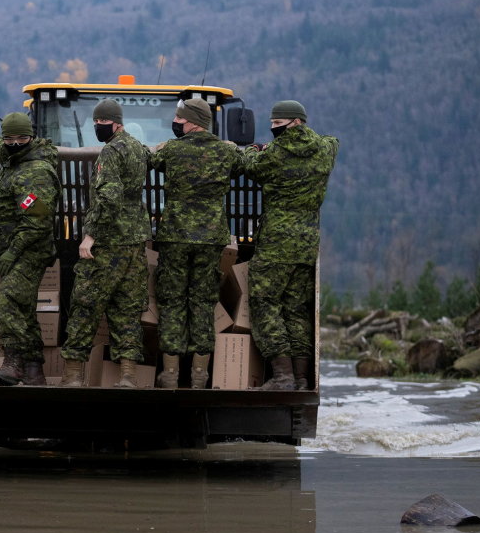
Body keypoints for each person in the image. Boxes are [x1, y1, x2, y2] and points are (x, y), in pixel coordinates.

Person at [240, 100, 337, 391]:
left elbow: (250, 166)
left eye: (277, 126)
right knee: (296, 309)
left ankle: (282, 376)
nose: (274, 130)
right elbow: (334, 142)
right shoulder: (324, 149)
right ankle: (302, 376)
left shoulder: (275, 155)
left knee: (264, 302)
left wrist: (253, 149)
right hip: (306, 245)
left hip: (276, 244)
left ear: (294, 123)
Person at [150, 98, 244, 389]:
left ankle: (169, 375)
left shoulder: (173, 150)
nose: (176, 122)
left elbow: (151, 159)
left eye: (179, 118)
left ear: (190, 121)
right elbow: (244, 164)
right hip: (210, 239)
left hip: (175, 236)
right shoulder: (225, 152)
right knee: (203, 303)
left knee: (173, 302)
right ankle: (200, 376)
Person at [59, 99, 151, 388]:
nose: (98, 127)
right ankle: (128, 376)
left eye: (102, 123)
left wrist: (90, 235)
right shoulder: (137, 148)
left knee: (85, 303)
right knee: (127, 308)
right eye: (95, 123)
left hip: (109, 243)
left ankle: (73, 375)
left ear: (116, 123)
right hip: (135, 242)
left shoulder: (110, 152)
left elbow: (108, 197)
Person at [0, 113, 60, 386]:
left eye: (21, 138)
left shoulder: (36, 172)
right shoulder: (14, 159)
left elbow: (38, 221)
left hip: (29, 251)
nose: (15, 143)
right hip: (14, 249)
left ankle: (14, 361)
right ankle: (34, 371)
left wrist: (12, 251)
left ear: (31, 138)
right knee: (24, 309)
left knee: (6, 302)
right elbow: (6, 143)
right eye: (9, 138)